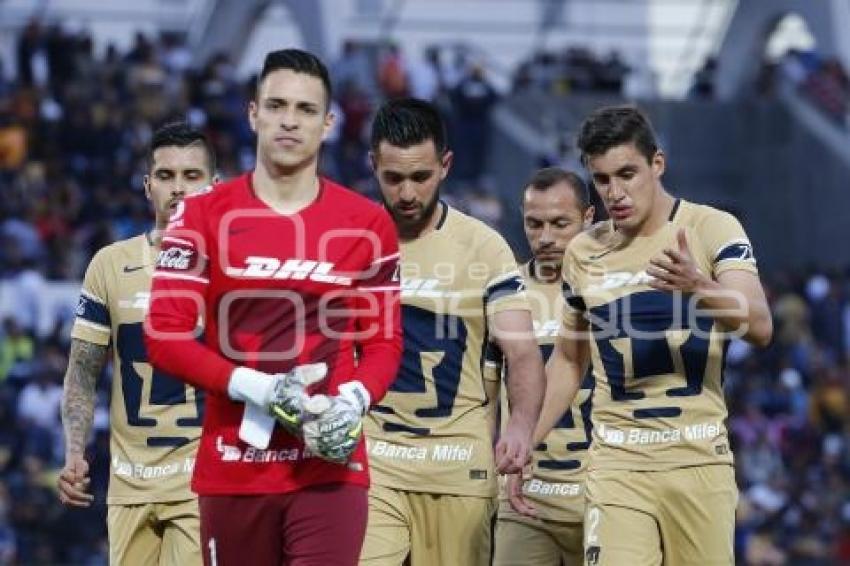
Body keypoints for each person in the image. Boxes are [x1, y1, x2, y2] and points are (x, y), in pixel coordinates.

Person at [144, 48, 402, 565]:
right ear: (252, 113)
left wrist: (354, 399)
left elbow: (382, 340)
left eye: (306, 109)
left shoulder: (368, 223)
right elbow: (165, 335)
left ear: (328, 123)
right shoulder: (199, 215)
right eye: (277, 104)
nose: (289, 120)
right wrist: (262, 390)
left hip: (328, 463)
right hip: (234, 464)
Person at [521, 105, 773, 566]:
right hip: (617, 464)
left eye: (627, 173)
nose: (615, 192)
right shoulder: (584, 251)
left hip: (698, 459)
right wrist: (524, 442)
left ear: (657, 164)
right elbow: (569, 361)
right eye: (601, 179)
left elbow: (758, 326)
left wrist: (698, 285)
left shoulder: (711, 228)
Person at [360, 97, 545, 566]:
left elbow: (521, 352)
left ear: (445, 165)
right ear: (372, 165)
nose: (407, 193)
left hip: (457, 464)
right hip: (373, 459)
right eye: (393, 177)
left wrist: (521, 425)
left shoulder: (483, 247)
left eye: (421, 177)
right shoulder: (349, 241)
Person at [58, 121, 217, 565]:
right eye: (166, 176)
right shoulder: (109, 265)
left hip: (201, 483)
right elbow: (83, 370)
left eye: (192, 176)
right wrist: (74, 452)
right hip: (128, 486)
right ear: (148, 186)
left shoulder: (237, 269)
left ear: (214, 186)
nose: (178, 189)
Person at [490, 168, 595, 566]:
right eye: (534, 224)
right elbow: (484, 396)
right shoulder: (503, 293)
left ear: (588, 219)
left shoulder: (614, 290)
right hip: (526, 497)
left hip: (605, 492)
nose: (546, 237)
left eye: (559, 223)